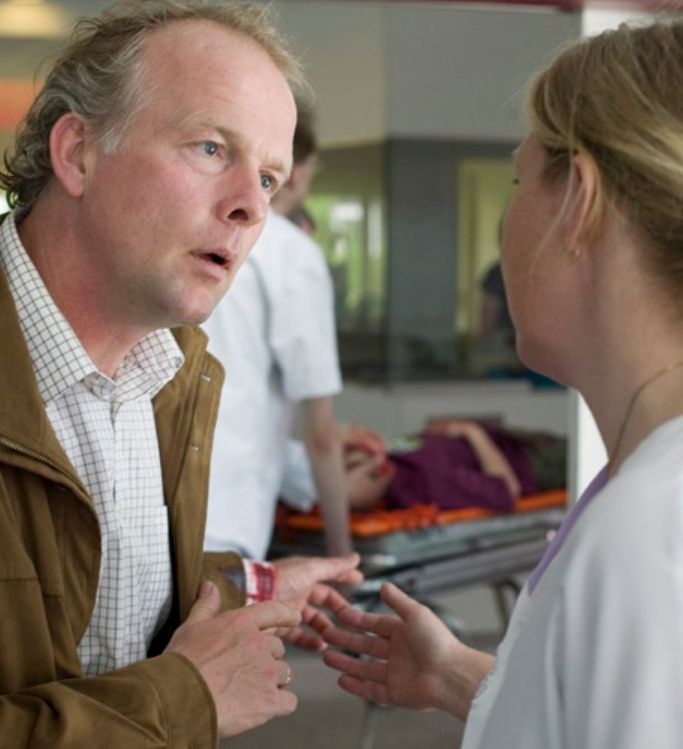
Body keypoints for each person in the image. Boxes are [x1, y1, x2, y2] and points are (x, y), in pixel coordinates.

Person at [0, 2, 361, 746]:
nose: (251, 206)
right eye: (210, 147)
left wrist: (251, 584)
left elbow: (104, 590)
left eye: (269, 177)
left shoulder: (170, 374)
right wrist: (185, 699)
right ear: (79, 153)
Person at [322, 18, 683, 749]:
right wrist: (461, 677)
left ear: (578, 201)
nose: (508, 219)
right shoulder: (642, 489)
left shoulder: (646, 531)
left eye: (520, 181)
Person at [203, 102, 352, 559]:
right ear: (299, 171)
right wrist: (342, 555)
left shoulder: (198, 238)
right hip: (227, 522)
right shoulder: (292, 255)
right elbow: (321, 434)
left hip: (163, 507)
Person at [281, 419, 565, 513]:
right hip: (536, 463)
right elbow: (507, 489)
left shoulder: (398, 455)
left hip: (521, 440)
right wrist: (472, 432)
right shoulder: (425, 485)